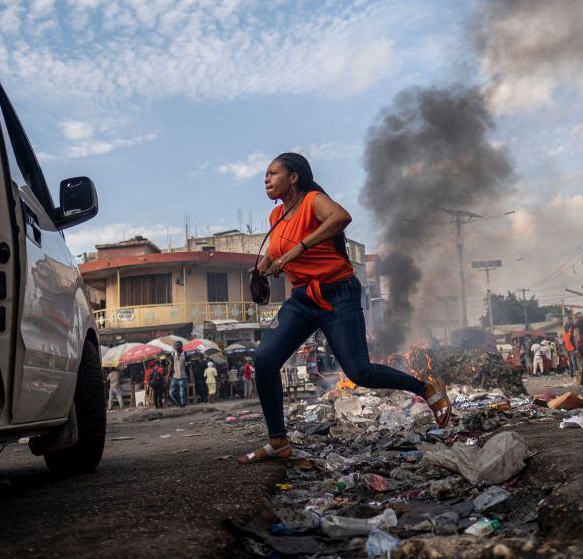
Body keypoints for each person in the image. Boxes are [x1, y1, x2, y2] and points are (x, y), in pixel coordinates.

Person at [239, 153, 452, 463]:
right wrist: (264, 266)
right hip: (303, 298)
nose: (266, 179)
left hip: (338, 293)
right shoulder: (277, 218)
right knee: (265, 358)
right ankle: (279, 441)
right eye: (265, 175)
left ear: (294, 177)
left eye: (273, 173)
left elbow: (341, 217)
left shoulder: (313, 200)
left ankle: (426, 388)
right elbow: (277, 250)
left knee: (359, 371)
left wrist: (298, 249)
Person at [169, 342, 188, 408]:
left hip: (183, 377)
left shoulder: (185, 354)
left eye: (177, 346)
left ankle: (183, 406)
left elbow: (189, 365)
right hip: (175, 377)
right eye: (175, 346)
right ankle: (180, 404)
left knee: (182, 393)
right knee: (172, 393)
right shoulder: (173, 354)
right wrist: (168, 376)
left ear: (181, 346)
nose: (176, 347)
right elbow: (171, 365)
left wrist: (191, 375)